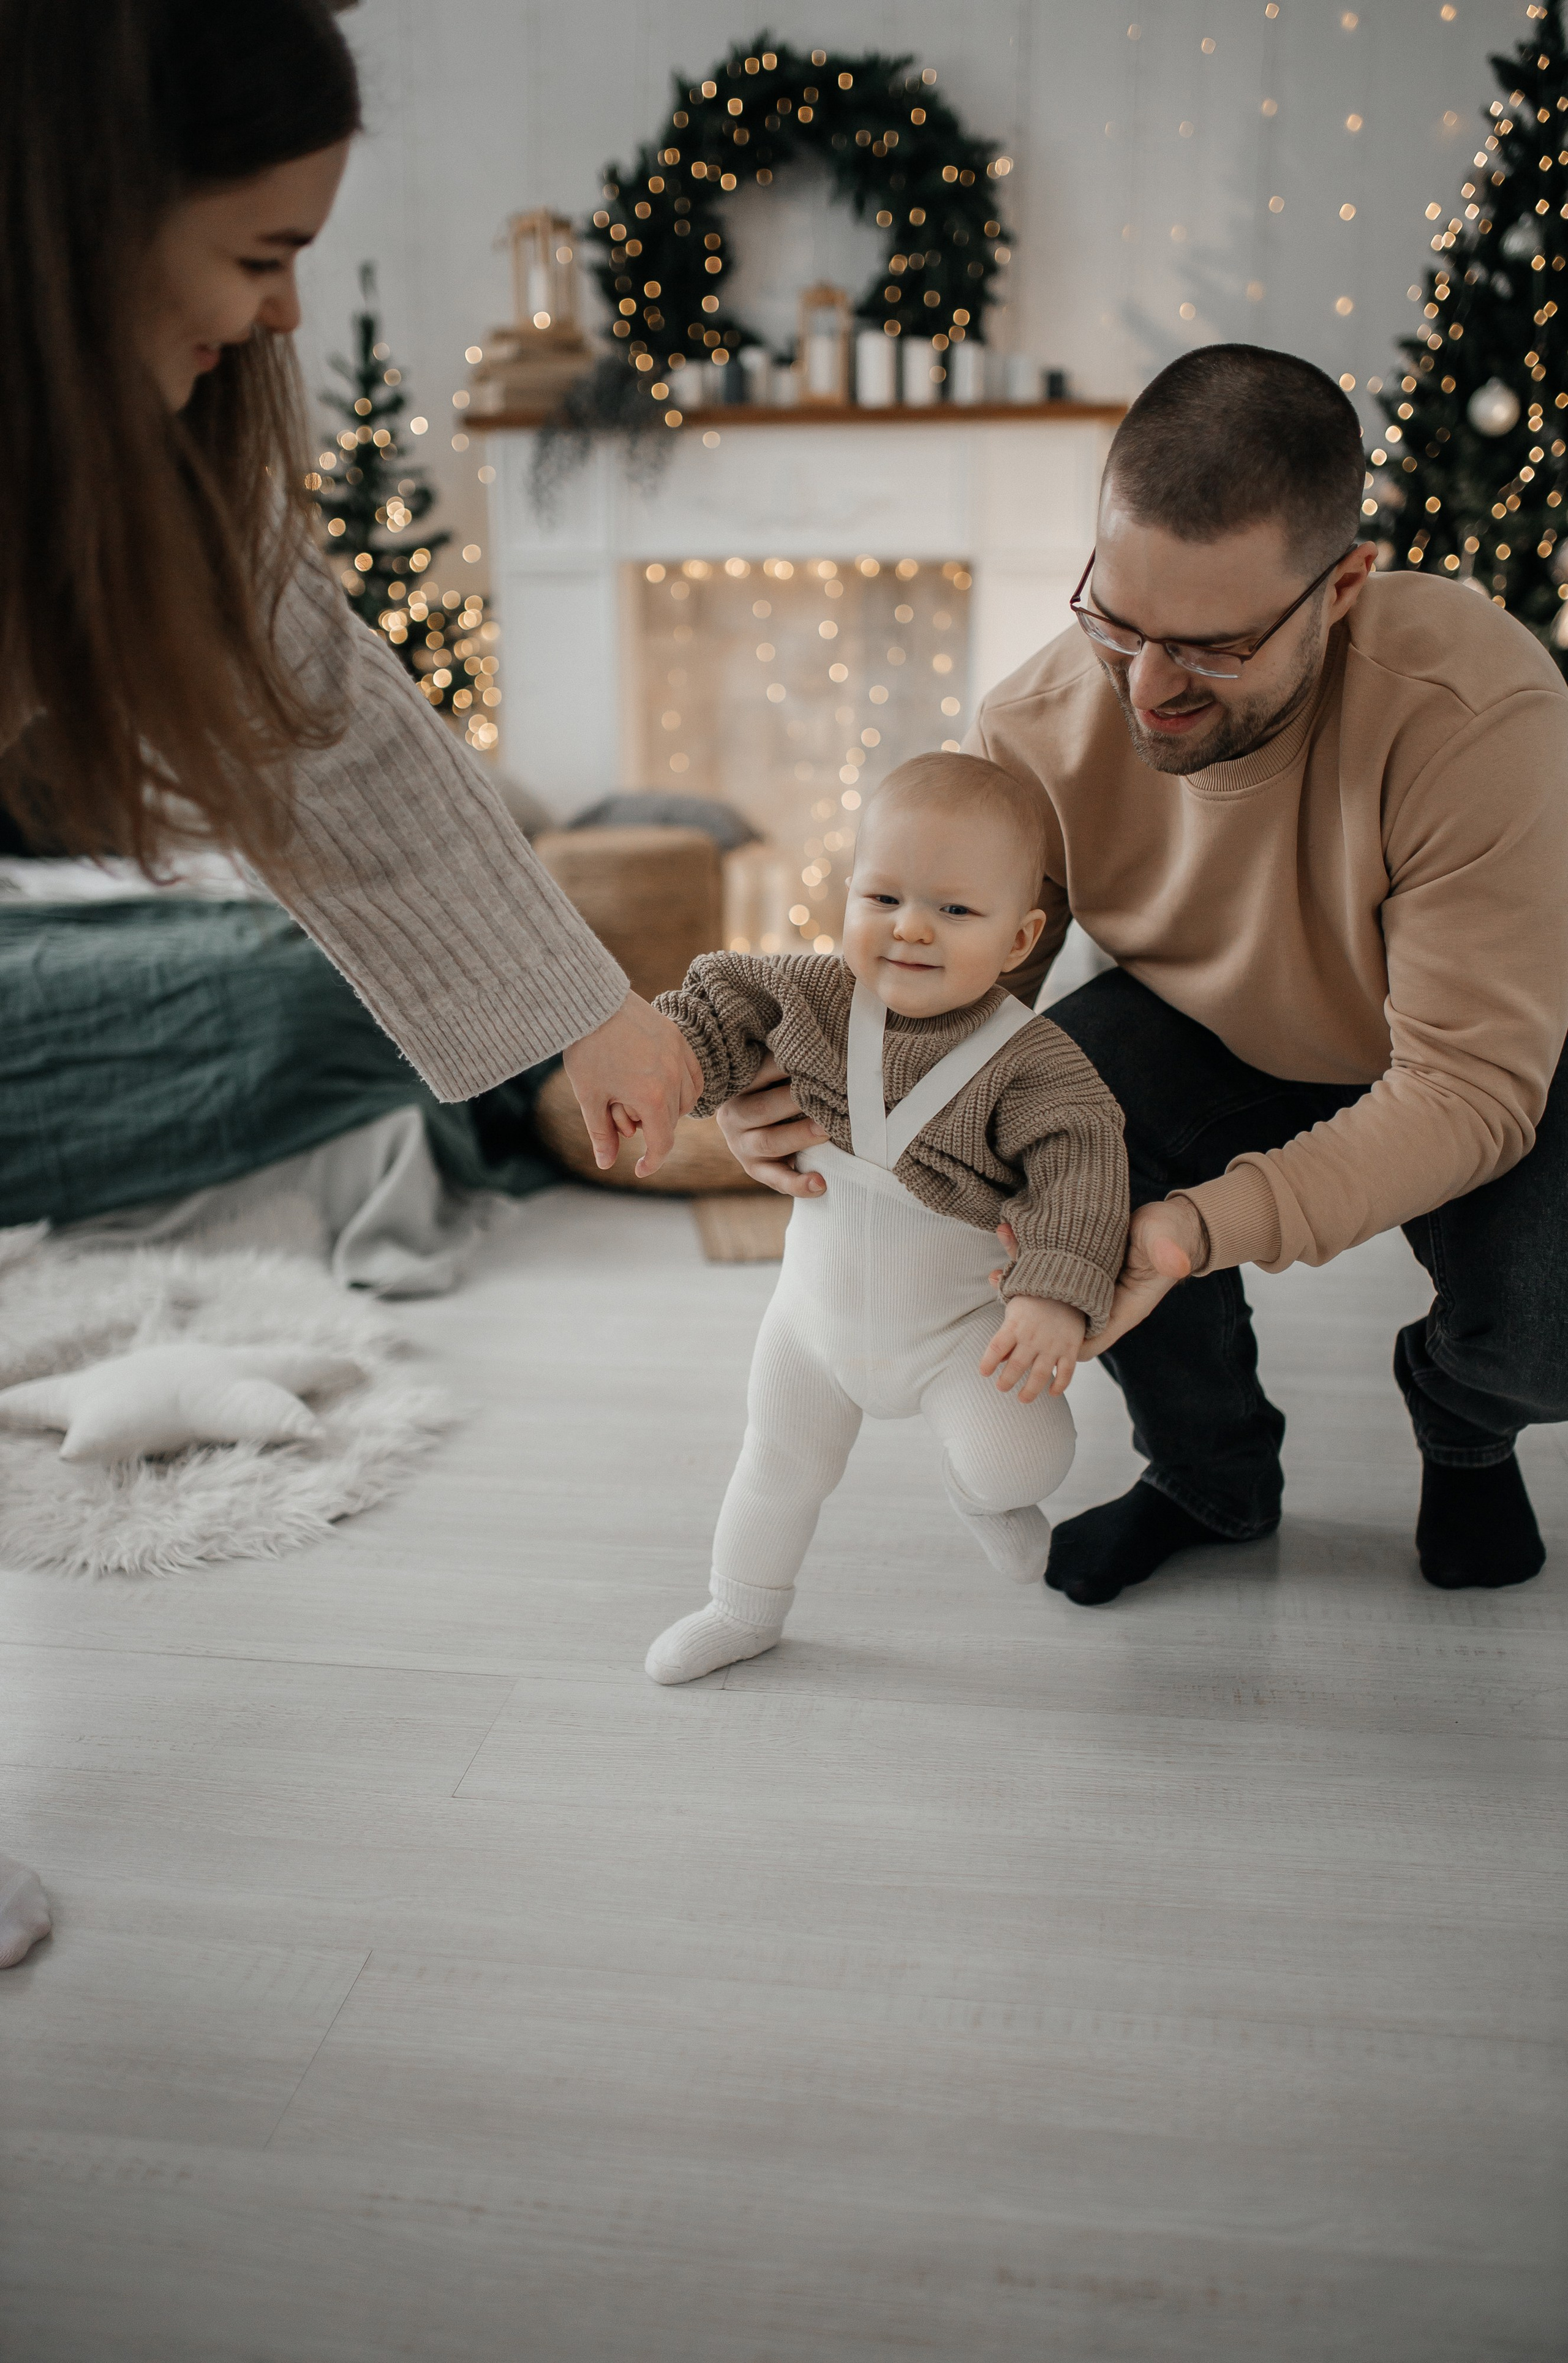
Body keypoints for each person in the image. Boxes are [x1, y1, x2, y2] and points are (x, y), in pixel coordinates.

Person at [0, 0, 699, 1967]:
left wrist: (588, 1006)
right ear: (79, 217)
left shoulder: (157, 465)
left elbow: (337, 732)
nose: (290, 316)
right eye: (261, 255)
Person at [720, 345, 1568, 1611]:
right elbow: (946, 1000)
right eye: (1115, 620)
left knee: (1541, 1334)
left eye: (1212, 648)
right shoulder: (1035, 726)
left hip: (1477, 1050)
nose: (1146, 688)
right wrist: (803, 1084)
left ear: (1340, 587)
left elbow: (1465, 1094)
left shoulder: (1469, 705)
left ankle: (1463, 1419)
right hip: (1209, 1027)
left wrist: (1196, 1229)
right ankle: (1209, 1475)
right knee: (1059, 1139)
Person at [641, 755, 1129, 1685]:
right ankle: (740, 1609)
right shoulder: (811, 996)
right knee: (778, 1465)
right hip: (811, 1326)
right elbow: (718, 1001)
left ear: (1023, 937)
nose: (910, 927)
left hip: (957, 1336)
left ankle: (979, 1495)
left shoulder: (1037, 1065)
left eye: (954, 909)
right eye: (884, 895)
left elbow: (1084, 1171)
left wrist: (1055, 1296)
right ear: (850, 893)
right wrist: (667, 1066)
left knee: (1027, 1461)